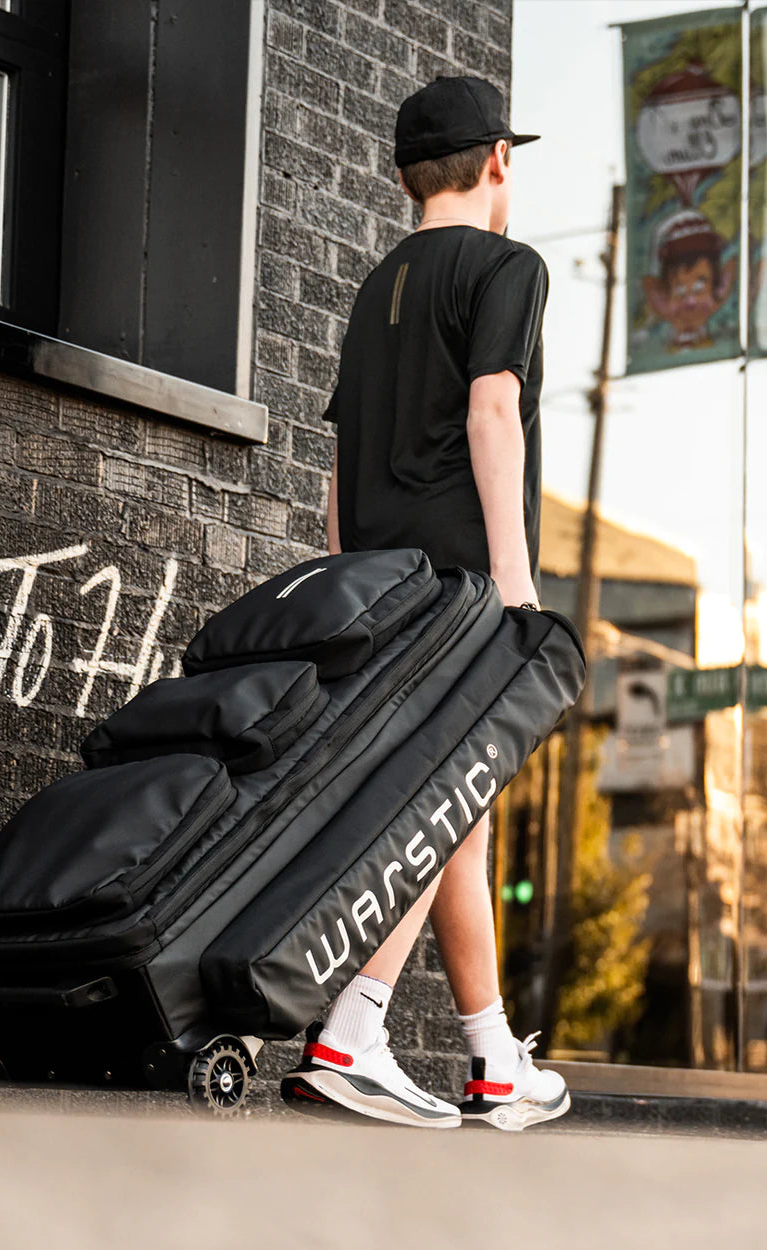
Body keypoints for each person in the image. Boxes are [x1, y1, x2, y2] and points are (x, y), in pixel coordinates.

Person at [281, 76, 570, 1131]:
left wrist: (342, 579)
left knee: (460, 820)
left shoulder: (373, 290)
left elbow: (339, 457)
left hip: (380, 584)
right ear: (496, 160)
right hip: (459, 584)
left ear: (409, 176)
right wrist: (513, 575)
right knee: (440, 805)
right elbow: (495, 406)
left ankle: (494, 1054)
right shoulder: (508, 267)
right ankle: (354, 1028)